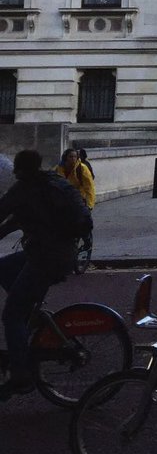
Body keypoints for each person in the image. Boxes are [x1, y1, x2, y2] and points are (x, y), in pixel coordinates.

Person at [0, 150, 91, 399]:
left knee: (11, 314)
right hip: (61, 253)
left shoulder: (24, 190)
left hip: (46, 259)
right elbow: (13, 222)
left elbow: (3, 212)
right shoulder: (50, 183)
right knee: (4, 268)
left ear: (18, 170)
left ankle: (21, 376)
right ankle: (32, 315)